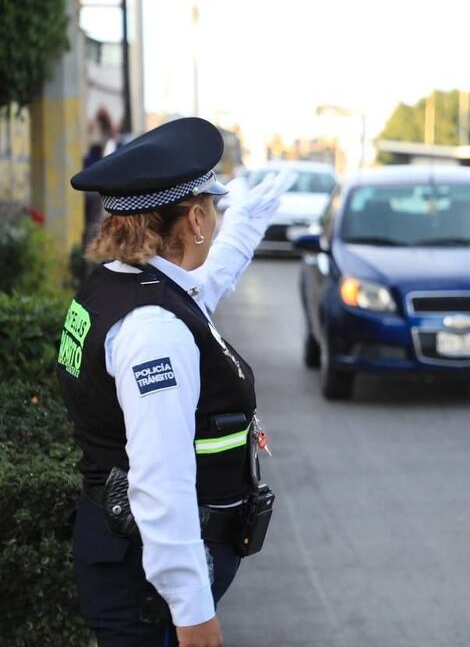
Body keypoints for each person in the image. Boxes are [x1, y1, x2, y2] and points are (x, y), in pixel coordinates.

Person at [59, 117, 294, 646]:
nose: (214, 215)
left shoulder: (121, 288)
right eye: (212, 206)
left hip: (131, 570)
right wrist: (193, 619)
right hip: (152, 601)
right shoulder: (154, 332)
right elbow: (160, 488)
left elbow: (196, 290)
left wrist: (245, 224)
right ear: (193, 219)